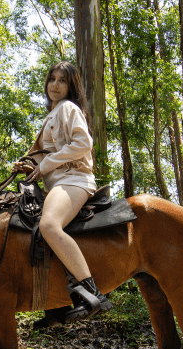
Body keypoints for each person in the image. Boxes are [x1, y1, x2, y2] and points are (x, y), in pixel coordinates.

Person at [12, 61, 112, 325]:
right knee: (32, 228)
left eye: (62, 80)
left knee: (49, 225)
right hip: (57, 184)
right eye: (52, 79)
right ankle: (56, 305)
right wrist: (29, 165)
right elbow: (45, 156)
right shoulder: (51, 115)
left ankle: (91, 294)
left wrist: (45, 164)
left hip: (74, 180)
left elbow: (83, 143)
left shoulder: (68, 108)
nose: (55, 85)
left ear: (71, 86)